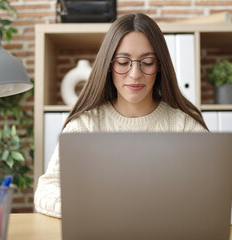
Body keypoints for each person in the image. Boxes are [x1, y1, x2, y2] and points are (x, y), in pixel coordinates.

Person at [34, 12, 209, 218]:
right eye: (123, 62)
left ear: (160, 66)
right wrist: (94, 209)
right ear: (109, 65)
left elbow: (211, 193)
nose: (135, 74)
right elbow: (46, 190)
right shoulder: (86, 124)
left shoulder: (185, 126)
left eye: (148, 62)